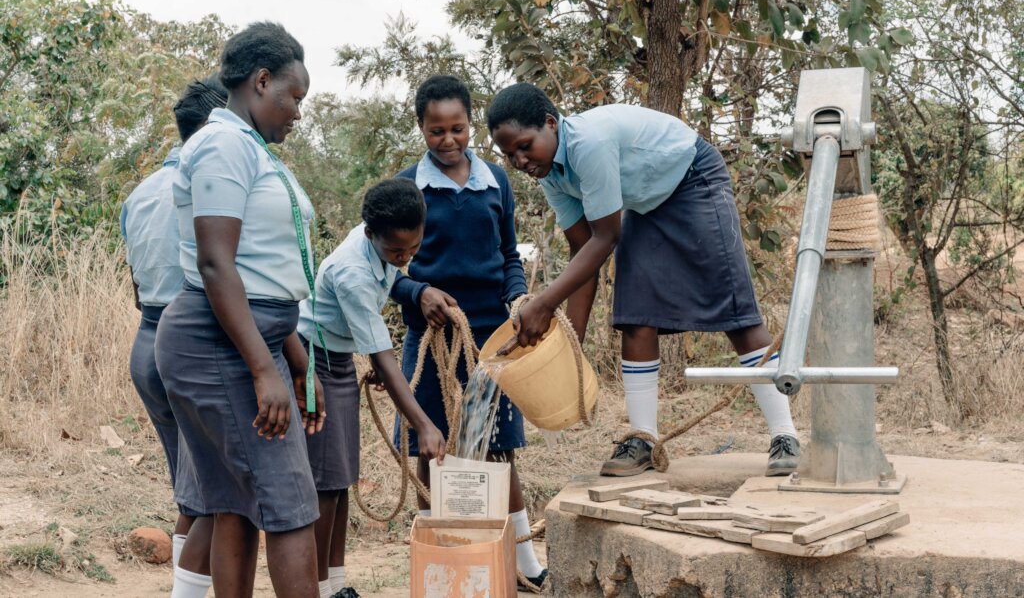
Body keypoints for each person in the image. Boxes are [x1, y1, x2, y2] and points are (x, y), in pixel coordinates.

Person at [487, 83, 800, 479]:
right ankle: (643, 440)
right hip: (646, 203)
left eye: (525, 146)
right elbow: (584, 253)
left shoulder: (588, 143)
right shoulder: (551, 174)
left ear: (551, 124)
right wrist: (570, 343)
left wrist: (545, 305)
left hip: (693, 179)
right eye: (509, 154)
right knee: (636, 315)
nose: (520, 160)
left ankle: (785, 435)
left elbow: (606, 237)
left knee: (735, 313)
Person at [155, 22, 325, 598]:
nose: (297, 113)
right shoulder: (225, 144)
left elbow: (264, 272)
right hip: (219, 345)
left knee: (237, 503)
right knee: (292, 504)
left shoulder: (248, 147)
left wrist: (293, 359)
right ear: (260, 82)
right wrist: (262, 368)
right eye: (293, 97)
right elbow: (217, 265)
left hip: (250, 340)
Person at [389, 75, 546, 590]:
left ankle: (524, 563)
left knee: (499, 448)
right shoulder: (407, 187)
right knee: (431, 446)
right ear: (422, 129)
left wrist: (519, 299)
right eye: (437, 131)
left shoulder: (495, 181)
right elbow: (389, 268)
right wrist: (419, 294)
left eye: (458, 129)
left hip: (490, 336)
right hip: (431, 337)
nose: (449, 140)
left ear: (470, 125)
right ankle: (440, 560)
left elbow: (507, 256)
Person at [295, 178, 446, 598]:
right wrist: (423, 425)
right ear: (369, 234)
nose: (405, 258)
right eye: (396, 252)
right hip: (313, 362)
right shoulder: (351, 272)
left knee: (340, 478)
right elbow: (382, 354)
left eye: (413, 249)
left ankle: (338, 584)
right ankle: (322, 590)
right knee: (325, 482)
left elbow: (375, 337)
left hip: (338, 357)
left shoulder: (377, 244)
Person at [120, 76, 225, 598]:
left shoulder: (139, 195)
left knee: (191, 489)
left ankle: (186, 585)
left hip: (148, 341)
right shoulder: (211, 188)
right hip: (195, 341)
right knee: (211, 490)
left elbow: (136, 287)